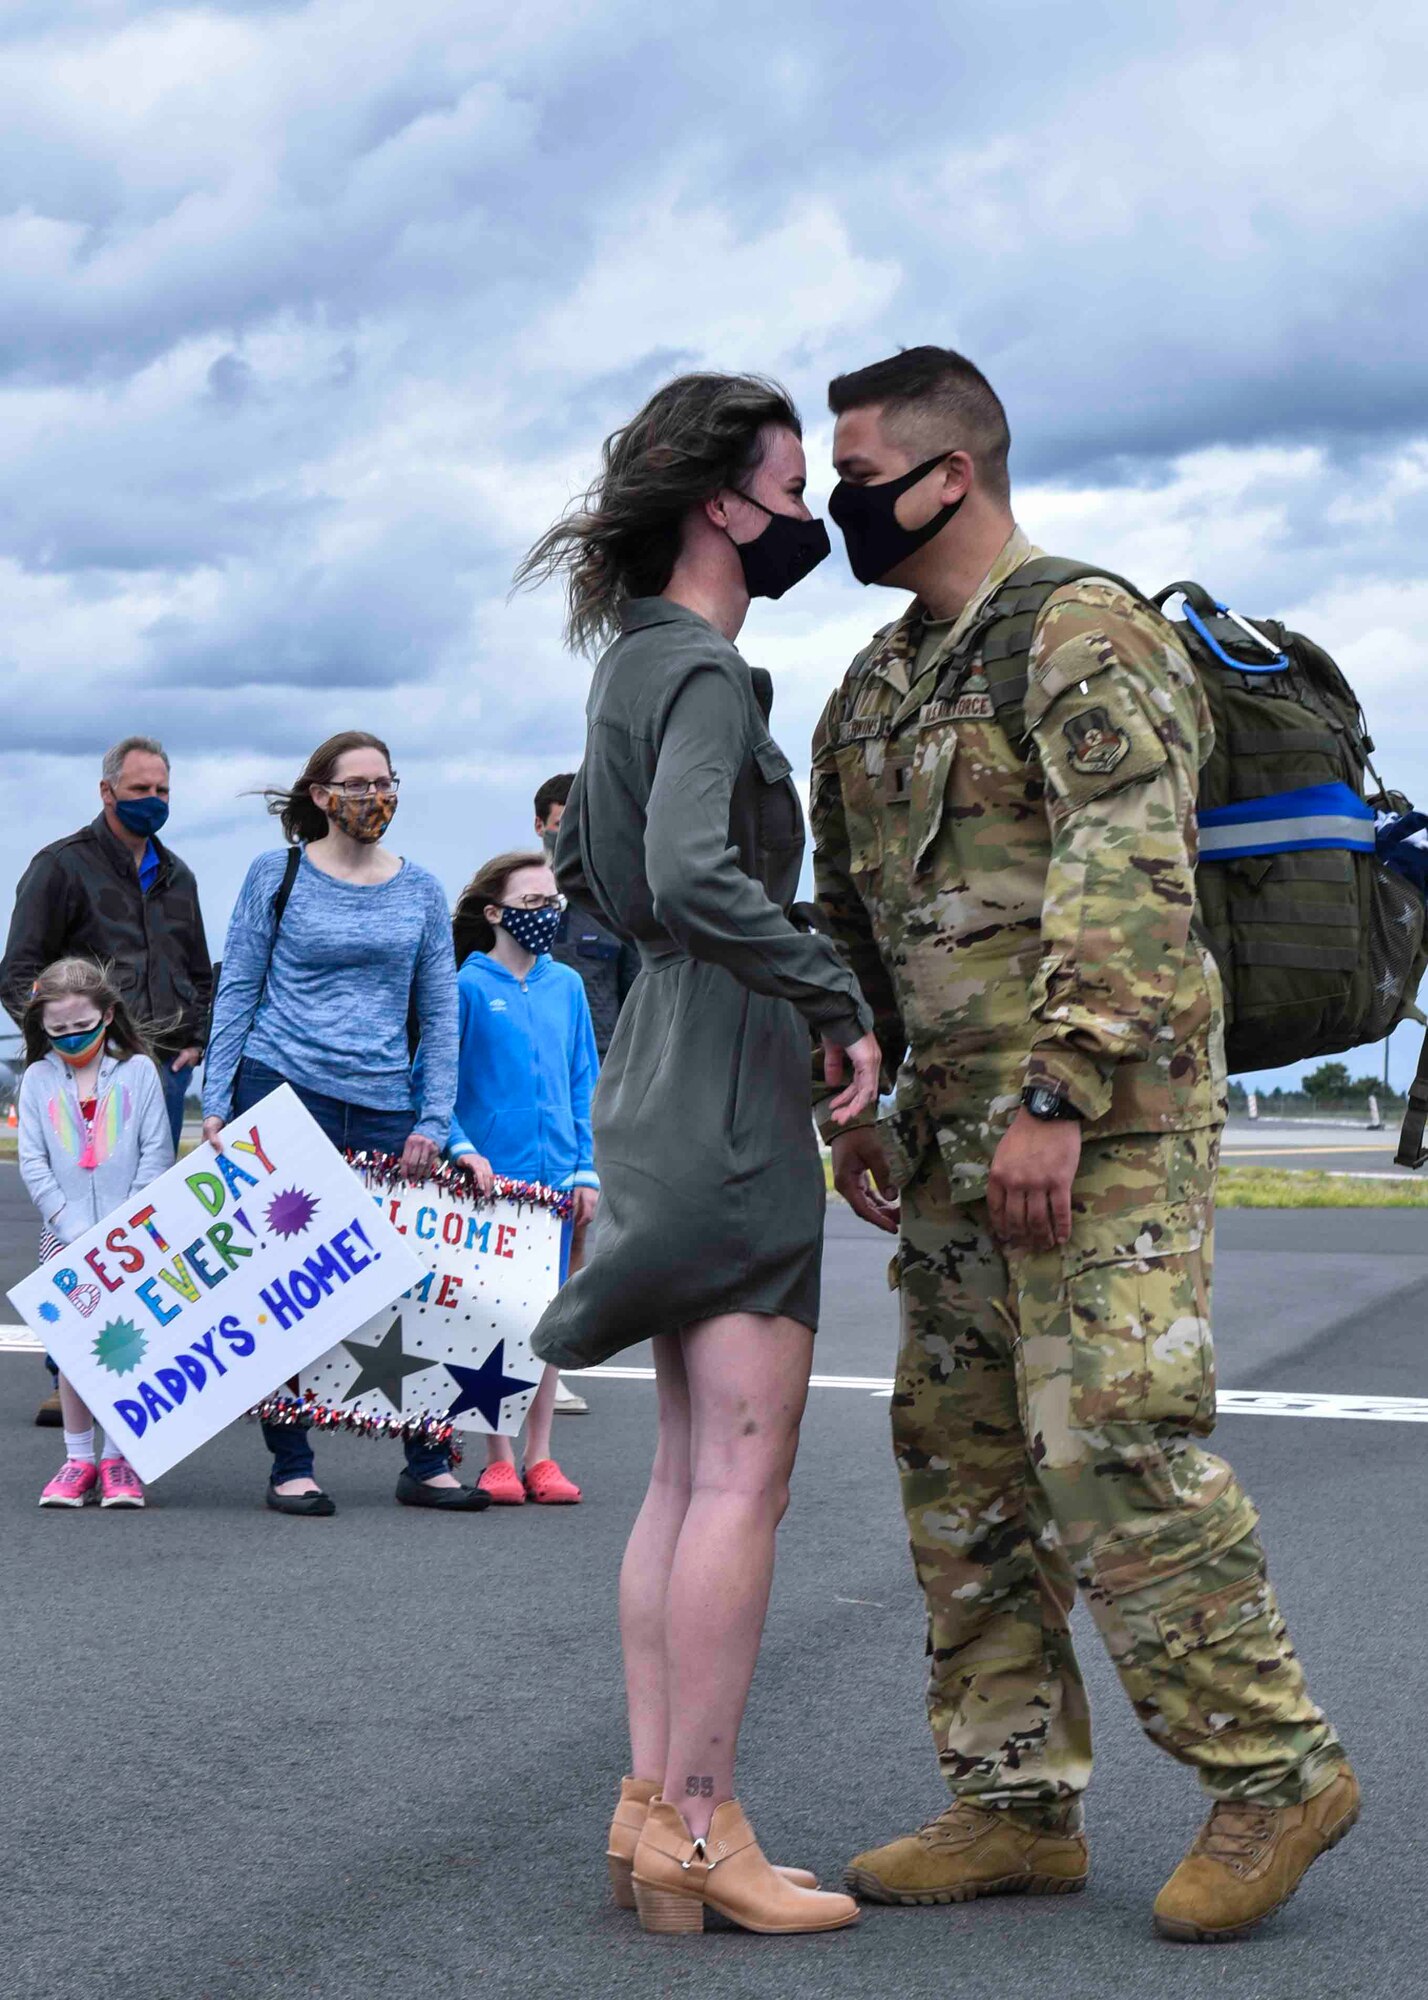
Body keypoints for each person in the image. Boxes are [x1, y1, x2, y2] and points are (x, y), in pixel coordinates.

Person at [812, 345, 1356, 1942]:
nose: (839, 504)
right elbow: (859, 915)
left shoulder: (1080, 631)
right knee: (964, 1462)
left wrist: (1060, 1092)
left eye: (857, 473)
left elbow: (1133, 873)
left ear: (948, 472)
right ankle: (1013, 1805)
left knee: (1114, 1440)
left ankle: (1274, 1771)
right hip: (949, 1138)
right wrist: (865, 1090)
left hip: (1097, 1129)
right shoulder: (878, 678)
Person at [515, 370, 881, 1937]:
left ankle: (652, 1811)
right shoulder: (713, 676)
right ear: (723, 502)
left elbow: (598, 865)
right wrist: (826, 990)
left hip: (653, 1051)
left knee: (680, 1471)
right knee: (743, 1473)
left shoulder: (628, 663)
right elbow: (684, 863)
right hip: (730, 1063)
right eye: (792, 493)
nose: (809, 519)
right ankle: (701, 1830)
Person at [200, 730, 481, 1518]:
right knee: (283, 1286)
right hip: (282, 1091)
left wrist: (434, 1114)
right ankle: (291, 1462)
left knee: (412, 1282)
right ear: (322, 796)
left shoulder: (422, 889)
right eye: (357, 784)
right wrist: (217, 1103)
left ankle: (427, 1461)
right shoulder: (276, 874)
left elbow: (439, 1012)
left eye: (386, 782)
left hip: (386, 1102)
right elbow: (238, 991)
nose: (376, 797)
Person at [446, 850, 598, 1505]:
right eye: (533, 903)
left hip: (560, 1183)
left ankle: (542, 1457)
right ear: (494, 912)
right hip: (492, 1188)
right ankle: (496, 1457)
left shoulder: (568, 987)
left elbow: (584, 1081)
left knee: (548, 1322)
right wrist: (460, 1147)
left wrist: (586, 1167)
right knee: (492, 1320)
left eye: (552, 904)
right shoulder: (465, 988)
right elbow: (438, 1084)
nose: (546, 915)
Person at [1, 737, 211, 1152]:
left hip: (166, 1072)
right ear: (107, 791)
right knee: (90, 1200)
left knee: (152, 1201)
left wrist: (197, 1043)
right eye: (139, 789)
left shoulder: (179, 877)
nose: (153, 799)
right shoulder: (60, 866)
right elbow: (18, 972)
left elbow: (200, 973)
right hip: (88, 1069)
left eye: (162, 790)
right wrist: (61, 1044)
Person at [18, 959, 174, 1509]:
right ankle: (78, 1458)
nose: (71, 1039)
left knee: (127, 1350)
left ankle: (119, 1461)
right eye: (58, 1032)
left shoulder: (139, 1072)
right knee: (73, 1354)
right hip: (63, 1243)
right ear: (44, 1028)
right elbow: (33, 1162)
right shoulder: (37, 1079)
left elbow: (156, 1154)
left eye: (82, 1026)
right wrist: (72, 1228)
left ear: (108, 1015)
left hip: (131, 1243)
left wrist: (123, 1227)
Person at [534, 772, 641, 1416]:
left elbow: (635, 1002)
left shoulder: (616, 906)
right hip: (517, 1088)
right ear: (540, 824)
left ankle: (553, 1360)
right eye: (558, 816)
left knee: (577, 1228)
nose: (568, 827)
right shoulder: (509, 898)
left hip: (592, 1088)